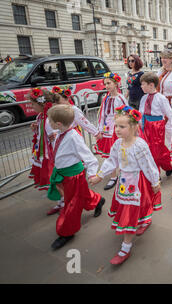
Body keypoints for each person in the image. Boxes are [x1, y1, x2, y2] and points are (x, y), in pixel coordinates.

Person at [90, 105, 161, 265]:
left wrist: (155, 181)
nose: (117, 129)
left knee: (131, 211)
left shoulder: (140, 145)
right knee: (132, 207)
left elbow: (149, 165)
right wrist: (100, 175)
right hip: (123, 182)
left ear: (134, 127)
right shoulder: (117, 144)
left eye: (122, 126)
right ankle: (144, 220)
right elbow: (111, 161)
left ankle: (125, 247)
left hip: (138, 181)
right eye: (116, 126)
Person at [46, 104, 104, 250]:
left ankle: (66, 232)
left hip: (74, 177)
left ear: (58, 123)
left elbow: (90, 158)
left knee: (71, 204)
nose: (48, 122)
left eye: (50, 120)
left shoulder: (73, 137)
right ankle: (97, 200)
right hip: (65, 174)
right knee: (80, 195)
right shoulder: (60, 132)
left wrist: (92, 174)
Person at [94, 72, 128, 190]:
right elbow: (102, 114)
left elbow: (126, 112)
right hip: (107, 128)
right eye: (105, 84)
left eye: (109, 83)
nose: (107, 86)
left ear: (116, 83)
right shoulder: (106, 98)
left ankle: (121, 173)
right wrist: (99, 130)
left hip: (117, 128)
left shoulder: (120, 98)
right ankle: (113, 176)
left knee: (118, 152)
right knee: (109, 152)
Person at [139, 72, 172, 181]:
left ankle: (155, 175)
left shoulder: (161, 98)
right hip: (146, 125)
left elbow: (169, 113)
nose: (141, 86)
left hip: (157, 126)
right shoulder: (144, 98)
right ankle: (168, 164)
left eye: (143, 84)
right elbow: (141, 112)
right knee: (152, 148)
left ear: (151, 85)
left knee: (154, 150)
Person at [28, 88, 57, 192]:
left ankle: (63, 201)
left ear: (42, 104)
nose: (32, 106)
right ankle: (61, 201)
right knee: (53, 179)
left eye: (33, 104)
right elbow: (41, 136)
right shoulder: (40, 116)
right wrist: (36, 129)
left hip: (50, 155)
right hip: (43, 153)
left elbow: (54, 139)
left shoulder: (49, 120)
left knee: (54, 178)